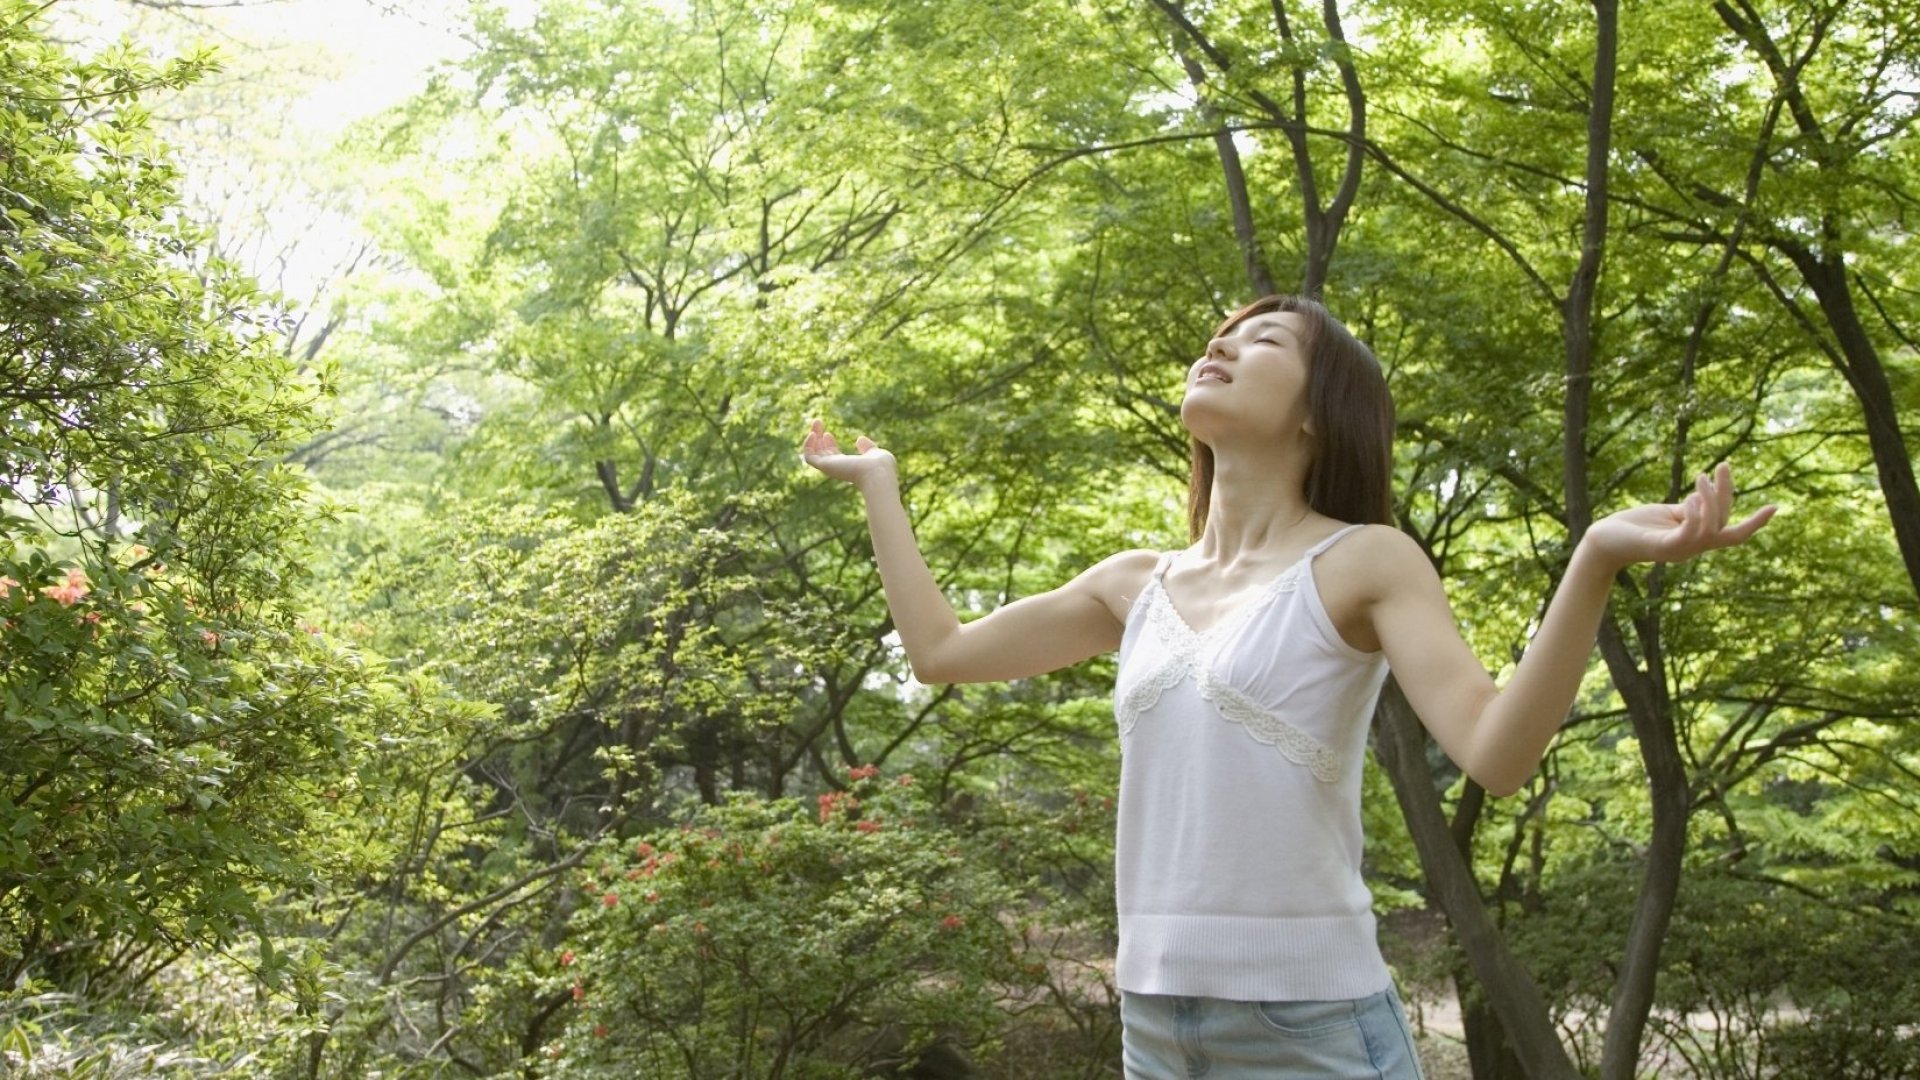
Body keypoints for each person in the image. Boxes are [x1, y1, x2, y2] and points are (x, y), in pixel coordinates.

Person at [800, 294, 1774, 1079]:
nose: (1217, 348)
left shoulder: (1366, 563)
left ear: (1316, 414)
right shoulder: (1134, 585)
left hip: (1311, 1030)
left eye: (1260, 340)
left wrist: (1595, 558)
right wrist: (880, 482)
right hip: (1153, 1023)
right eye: (1215, 336)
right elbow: (939, 651)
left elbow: (1497, 751)